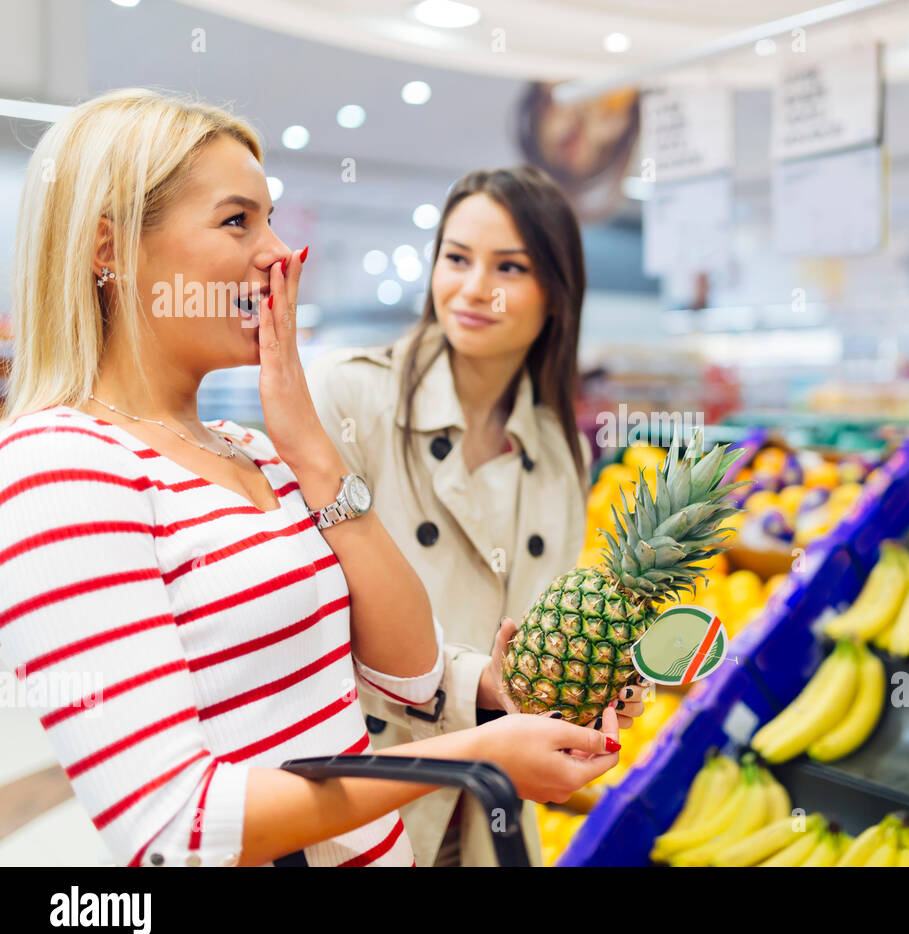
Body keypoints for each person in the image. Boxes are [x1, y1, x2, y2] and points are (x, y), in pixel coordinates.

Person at [0, 89, 627, 868]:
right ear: (109, 249)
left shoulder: (255, 450)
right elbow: (173, 830)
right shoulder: (58, 466)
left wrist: (308, 444)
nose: (277, 254)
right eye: (239, 221)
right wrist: (475, 757)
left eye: (270, 219)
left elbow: (412, 670)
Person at [307, 165, 623, 867]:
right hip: (361, 787)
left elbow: (534, 645)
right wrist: (473, 686)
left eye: (508, 266)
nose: (474, 288)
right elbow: (314, 611)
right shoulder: (352, 396)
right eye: (456, 258)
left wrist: (590, 695)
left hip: (484, 811)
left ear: (556, 294)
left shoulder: (559, 451)